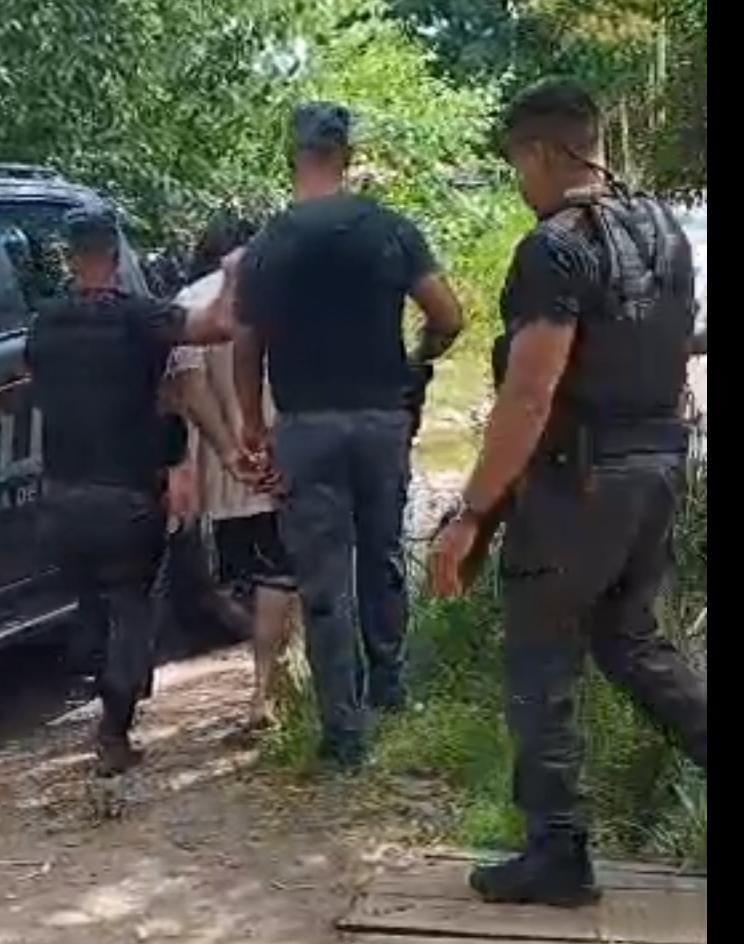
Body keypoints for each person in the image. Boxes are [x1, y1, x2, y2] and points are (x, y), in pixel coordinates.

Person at [428, 79, 708, 906]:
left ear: (544, 152)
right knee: (632, 644)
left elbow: (529, 394)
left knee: (541, 658)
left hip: (579, 484)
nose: (521, 183)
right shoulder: (664, 231)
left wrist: (471, 513)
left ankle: (556, 851)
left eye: (519, 164)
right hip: (658, 470)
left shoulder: (554, 248)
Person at [233, 102, 465, 768]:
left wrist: (252, 423)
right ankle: (391, 691)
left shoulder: (270, 244)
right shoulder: (389, 229)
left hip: (306, 428)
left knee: (324, 579)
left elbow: (246, 343)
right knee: (383, 554)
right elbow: (448, 314)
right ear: (348, 156)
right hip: (380, 421)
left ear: (293, 155)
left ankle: (344, 734)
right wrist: (417, 361)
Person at [26, 205, 239, 776]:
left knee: (92, 602)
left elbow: (31, 381)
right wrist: (233, 273)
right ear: (116, 257)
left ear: (70, 258)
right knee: (130, 605)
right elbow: (219, 325)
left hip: (62, 497)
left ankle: (94, 682)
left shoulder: (45, 323)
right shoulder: (140, 318)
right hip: (126, 498)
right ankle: (113, 731)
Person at [169, 211, 300, 729]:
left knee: (249, 576)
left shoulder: (188, 303)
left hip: (227, 474)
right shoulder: (282, 294)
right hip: (284, 456)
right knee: (284, 573)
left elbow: (189, 387)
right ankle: (269, 688)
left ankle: (272, 685)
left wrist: (227, 449)